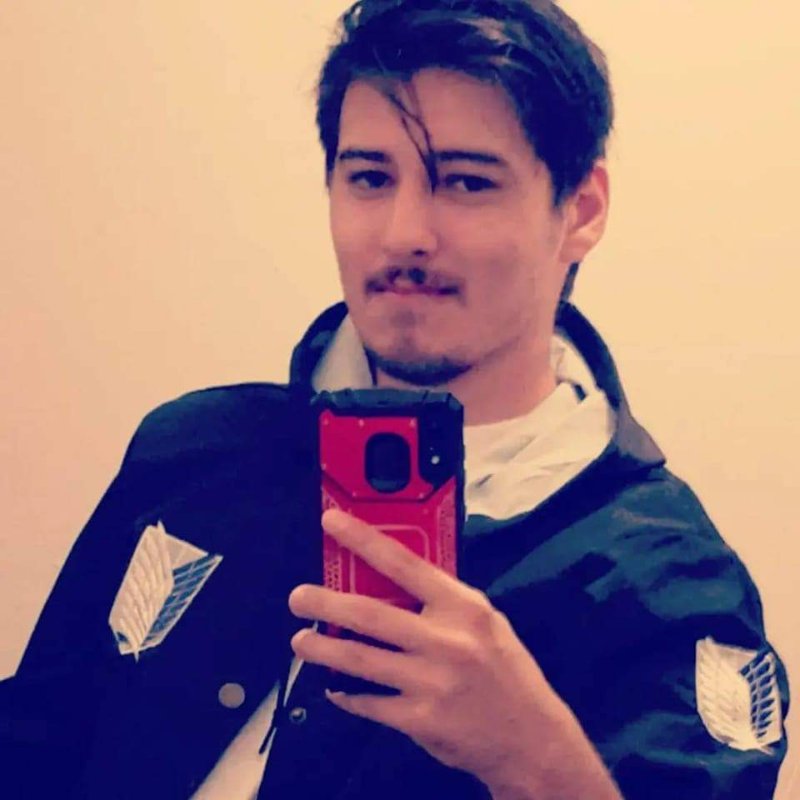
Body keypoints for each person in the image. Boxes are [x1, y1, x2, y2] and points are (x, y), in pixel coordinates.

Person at [0, 1, 790, 798]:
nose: (405, 231)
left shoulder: (668, 586)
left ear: (580, 211)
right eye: (370, 178)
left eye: (467, 181)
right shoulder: (190, 452)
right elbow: (33, 744)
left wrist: (534, 760)